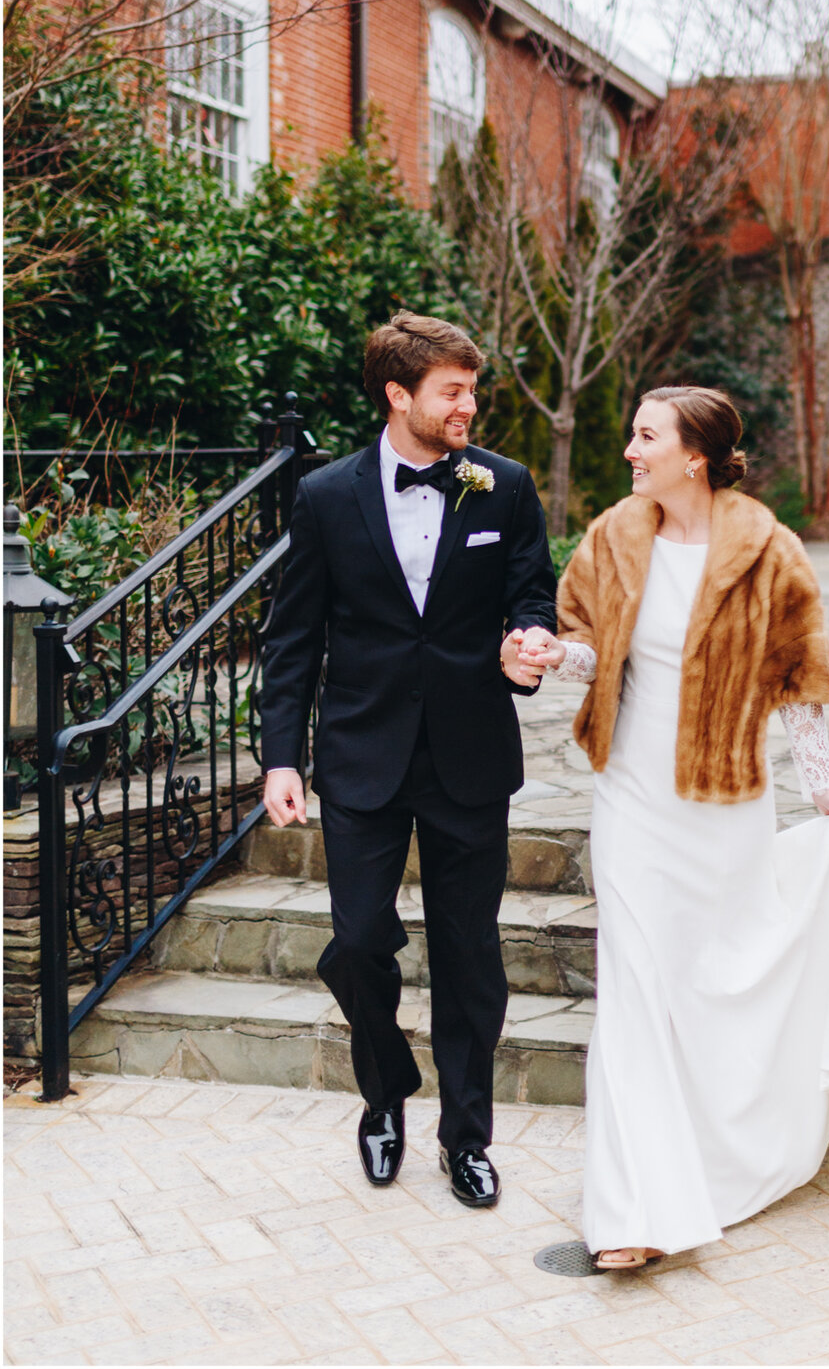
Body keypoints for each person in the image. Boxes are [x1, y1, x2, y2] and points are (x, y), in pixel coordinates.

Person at [502, 385, 829, 1272]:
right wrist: (539, 654)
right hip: (633, 801)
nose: (631, 451)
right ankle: (633, 1209)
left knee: (716, 982)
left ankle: (733, 1156)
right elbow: (587, 651)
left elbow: (800, 677)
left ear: (694, 454)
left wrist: (825, 790)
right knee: (637, 993)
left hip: (725, 805)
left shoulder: (767, 549)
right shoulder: (611, 538)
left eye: (646, 436)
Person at [259, 314, 558, 1210]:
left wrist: (527, 639)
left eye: (472, 388)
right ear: (400, 395)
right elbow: (292, 638)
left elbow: (529, 593)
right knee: (357, 944)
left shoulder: (502, 486)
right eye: (452, 391)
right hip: (361, 755)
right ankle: (384, 1092)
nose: (470, 404)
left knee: (470, 955)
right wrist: (282, 758)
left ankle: (466, 1137)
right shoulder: (323, 495)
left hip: (470, 755)